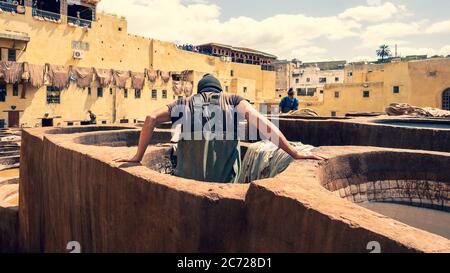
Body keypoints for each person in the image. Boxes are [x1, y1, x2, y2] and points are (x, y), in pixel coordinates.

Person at [114, 74, 327, 183]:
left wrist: (137, 156)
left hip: (185, 186)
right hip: (223, 187)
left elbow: (150, 118)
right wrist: (294, 152)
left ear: (200, 90)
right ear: (219, 89)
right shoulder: (233, 100)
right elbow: (262, 123)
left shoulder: (184, 103)